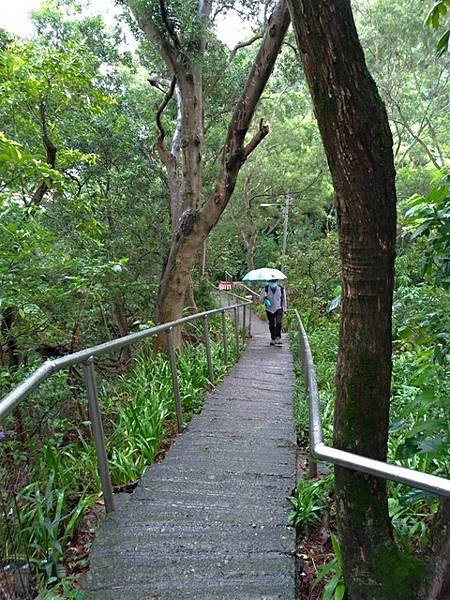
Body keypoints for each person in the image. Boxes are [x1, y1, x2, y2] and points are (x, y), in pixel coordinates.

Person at [260, 279, 287, 346]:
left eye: (274, 282)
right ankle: (273, 338)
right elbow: (261, 300)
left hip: (279, 308)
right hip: (269, 309)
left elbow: (284, 299)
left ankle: (278, 337)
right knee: (271, 324)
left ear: (276, 282)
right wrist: (264, 298)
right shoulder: (265, 289)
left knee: (278, 323)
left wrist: (284, 308)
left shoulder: (281, 289)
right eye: (271, 282)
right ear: (269, 282)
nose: (273, 283)